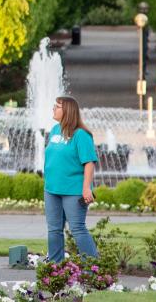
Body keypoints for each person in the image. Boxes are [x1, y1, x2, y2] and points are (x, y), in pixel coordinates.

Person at [43, 96, 99, 262]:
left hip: (73, 191)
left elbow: (89, 162)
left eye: (57, 106)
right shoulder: (54, 130)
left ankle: (93, 269)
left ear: (67, 111)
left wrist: (86, 188)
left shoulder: (81, 135)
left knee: (77, 229)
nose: (53, 109)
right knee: (54, 230)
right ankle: (55, 268)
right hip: (52, 189)